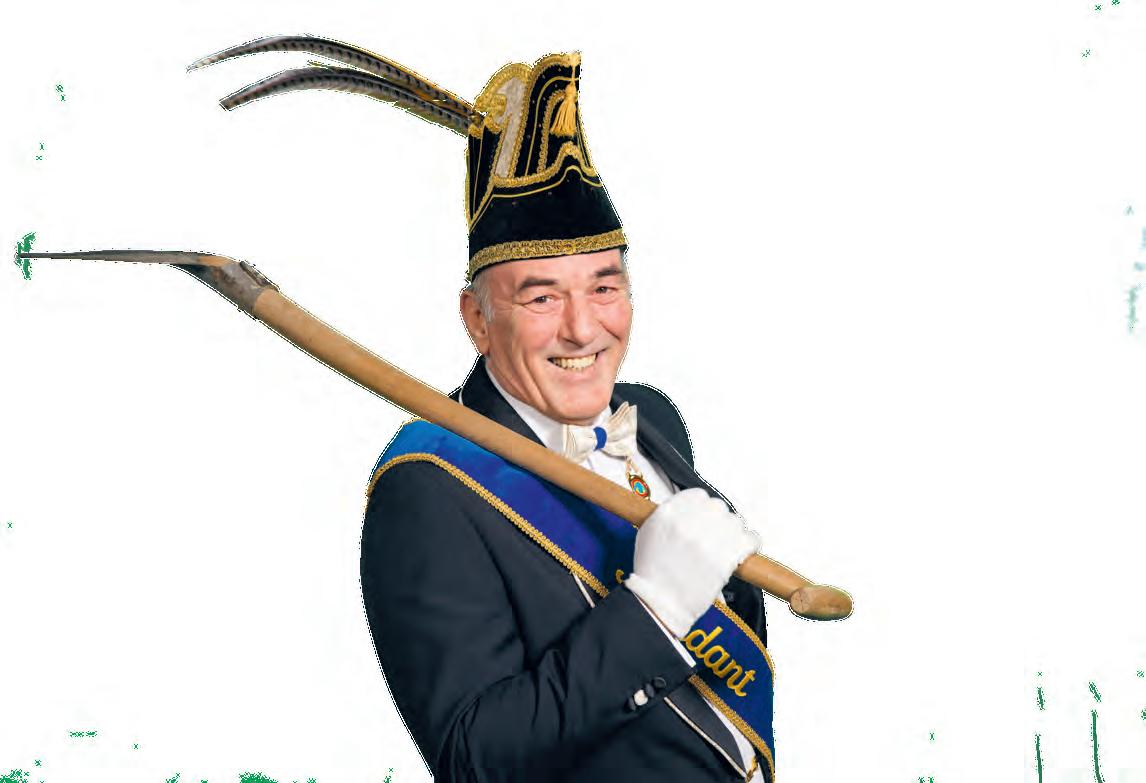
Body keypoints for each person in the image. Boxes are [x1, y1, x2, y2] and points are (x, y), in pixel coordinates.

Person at [359, 50, 775, 782]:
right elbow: (473, 759)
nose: (584, 330)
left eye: (604, 288)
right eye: (542, 297)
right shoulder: (426, 486)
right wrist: (655, 608)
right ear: (477, 319)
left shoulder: (654, 417)